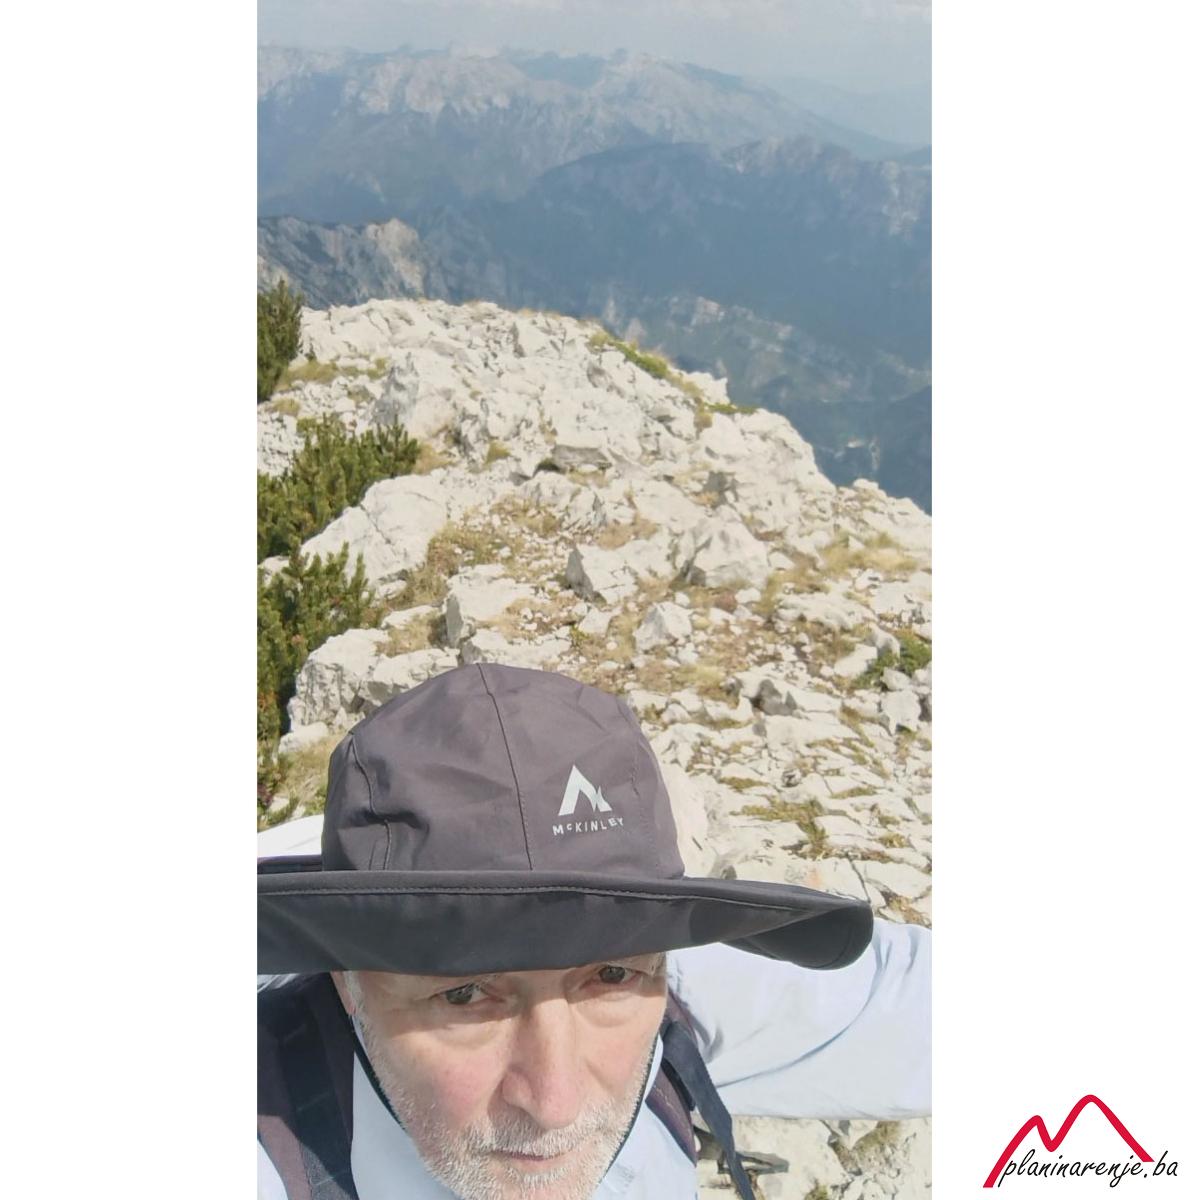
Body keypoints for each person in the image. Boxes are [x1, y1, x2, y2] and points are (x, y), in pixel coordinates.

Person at [258, 663, 930, 1200]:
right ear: (346, 982)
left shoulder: (675, 994)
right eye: (463, 994)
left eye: (608, 975)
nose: (555, 1103)